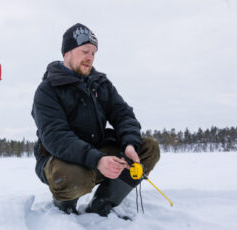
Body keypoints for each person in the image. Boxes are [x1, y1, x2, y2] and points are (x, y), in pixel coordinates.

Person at [31, 23, 160, 217]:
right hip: (60, 160)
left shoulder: (100, 84)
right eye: (84, 51)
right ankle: (65, 205)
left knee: (148, 149)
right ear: (67, 53)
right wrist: (97, 160)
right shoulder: (47, 90)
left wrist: (129, 144)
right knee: (72, 176)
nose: (90, 58)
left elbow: (123, 114)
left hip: (97, 151)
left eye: (93, 53)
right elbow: (56, 138)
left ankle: (103, 203)